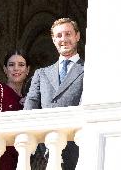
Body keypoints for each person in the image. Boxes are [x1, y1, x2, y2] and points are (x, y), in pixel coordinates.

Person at [24, 18, 84, 170]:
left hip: (76, 150)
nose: (63, 39)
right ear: (53, 39)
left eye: (68, 34)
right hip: (44, 151)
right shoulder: (41, 74)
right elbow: (30, 109)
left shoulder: (89, 70)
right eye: (58, 35)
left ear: (77, 36)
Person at [0, 49, 30, 170]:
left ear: (28, 70)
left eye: (21, 65)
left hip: (23, 159)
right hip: (0, 157)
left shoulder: (29, 100)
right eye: (11, 65)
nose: (16, 69)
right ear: (5, 69)